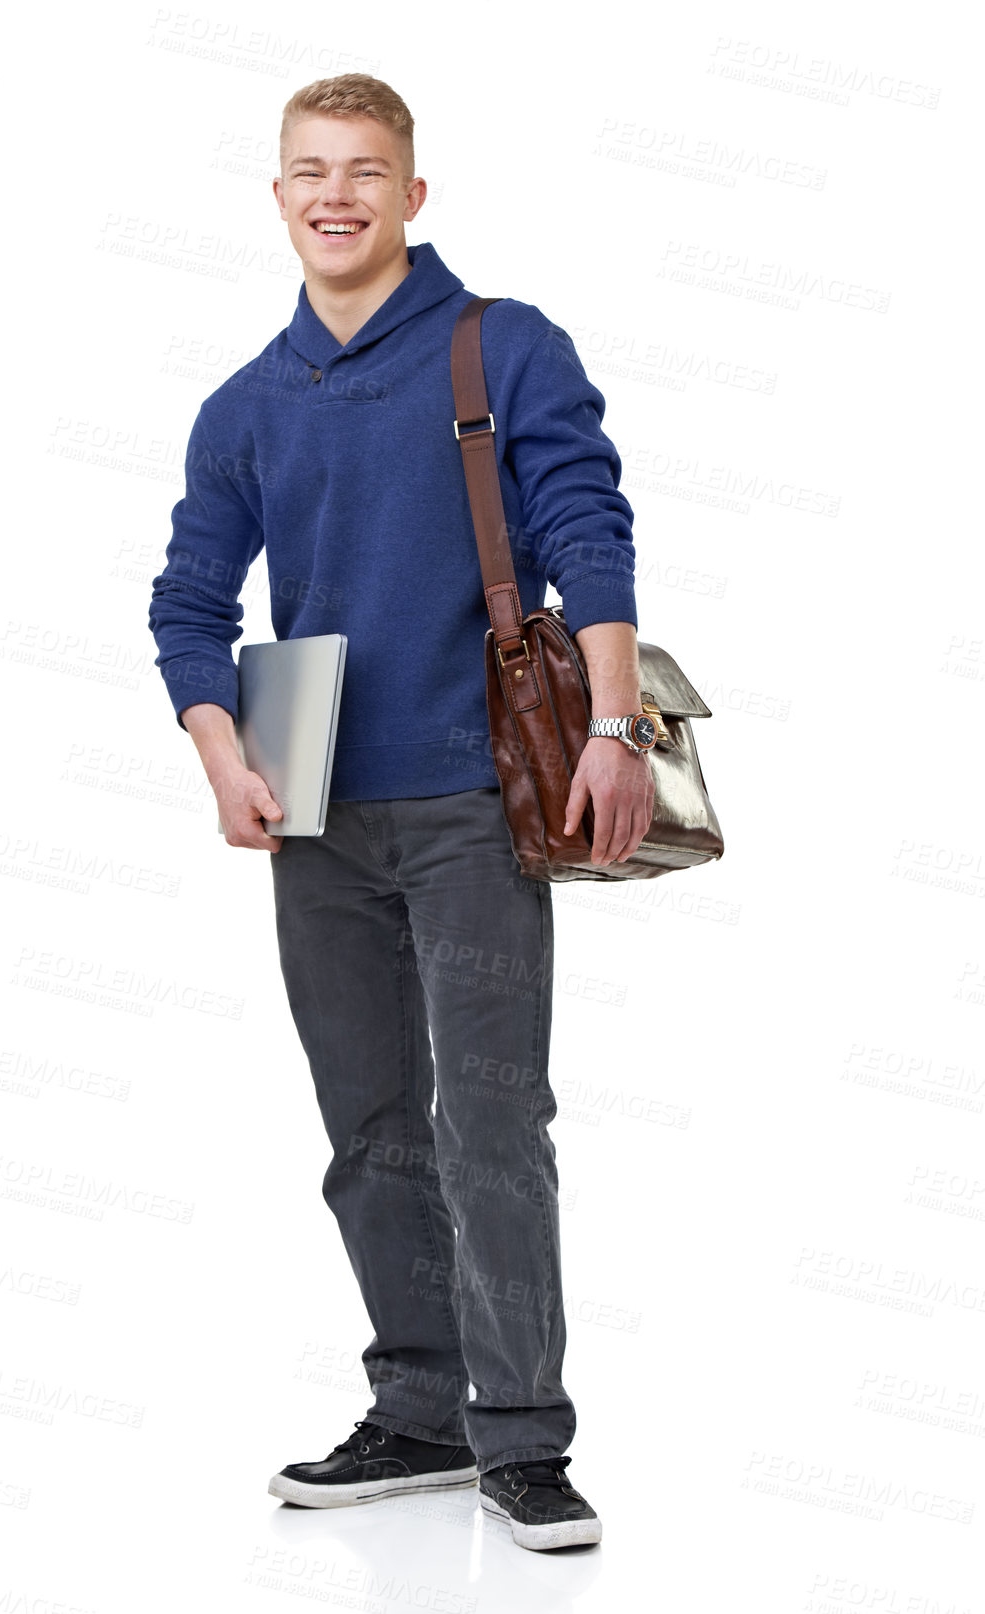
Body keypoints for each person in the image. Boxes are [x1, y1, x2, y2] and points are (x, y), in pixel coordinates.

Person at [147, 73, 654, 1553]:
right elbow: (187, 600)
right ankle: (420, 1405)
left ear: (411, 195)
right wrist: (218, 751)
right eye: (310, 169)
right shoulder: (244, 402)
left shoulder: (496, 347)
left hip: (468, 790)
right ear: (280, 195)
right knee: (368, 1125)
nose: (336, 193)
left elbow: (586, 530)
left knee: (491, 1115)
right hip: (311, 799)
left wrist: (612, 724)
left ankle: (521, 1433)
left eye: (365, 169)